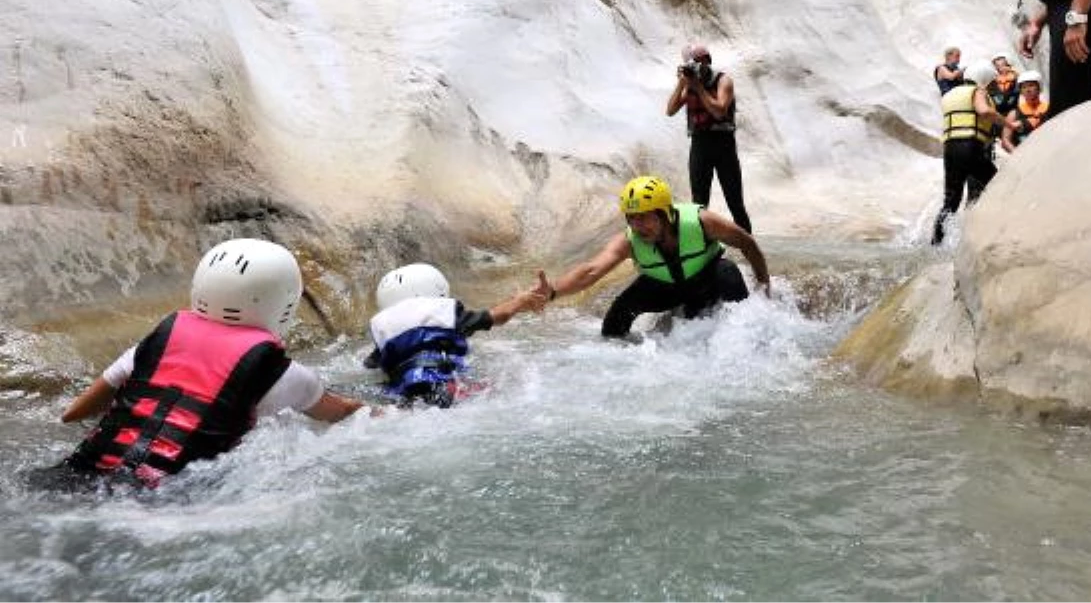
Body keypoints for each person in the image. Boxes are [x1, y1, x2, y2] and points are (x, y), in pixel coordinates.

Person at [48, 239, 365, 489]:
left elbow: (71, 414)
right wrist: (384, 412)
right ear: (284, 304)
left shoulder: (153, 346)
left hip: (79, 474)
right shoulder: (286, 376)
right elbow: (339, 413)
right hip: (164, 494)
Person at [537, 175, 770, 339]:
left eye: (644, 217)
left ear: (665, 214)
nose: (637, 225)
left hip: (707, 282)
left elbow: (747, 244)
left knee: (727, 271)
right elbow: (591, 270)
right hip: (665, 289)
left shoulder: (702, 221)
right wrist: (553, 292)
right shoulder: (629, 240)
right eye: (631, 218)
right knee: (615, 319)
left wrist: (764, 285)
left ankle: (751, 331)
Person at [363, 263, 550, 407]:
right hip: (447, 388)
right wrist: (519, 302)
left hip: (403, 394)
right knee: (499, 388)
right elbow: (497, 316)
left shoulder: (384, 329)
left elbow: (371, 366)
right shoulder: (443, 313)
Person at [666, 44, 753, 233]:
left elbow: (720, 111)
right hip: (700, 143)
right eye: (690, 63)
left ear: (706, 61)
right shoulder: (688, 83)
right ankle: (701, 248)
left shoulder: (723, 81)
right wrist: (682, 84)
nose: (694, 66)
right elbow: (670, 111)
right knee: (698, 203)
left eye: (697, 62)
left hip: (723, 145)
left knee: (735, 202)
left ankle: (749, 245)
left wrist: (699, 88)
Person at [932, 63, 1021, 245]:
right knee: (999, 185)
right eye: (991, 83)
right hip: (969, 147)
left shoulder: (951, 94)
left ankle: (936, 242)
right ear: (983, 79)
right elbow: (984, 111)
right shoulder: (977, 91)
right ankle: (1004, 232)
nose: (992, 86)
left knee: (951, 202)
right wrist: (1009, 125)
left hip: (950, 150)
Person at [1001, 70, 1049, 153]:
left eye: (1031, 85)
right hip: (1026, 154)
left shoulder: (1049, 108)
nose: (1027, 90)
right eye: (1024, 87)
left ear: (1039, 87)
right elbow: (1005, 140)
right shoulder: (1014, 114)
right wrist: (1018, 155)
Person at [989, 52, 1020, 117]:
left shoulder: (1014, 74)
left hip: (1012, 102)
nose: (1001, 67)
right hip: (998, 104)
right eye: (998, 65)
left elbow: (1020, 82)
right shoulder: (993, 77)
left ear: (1008, 64)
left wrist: (1012, 71)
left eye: (1003, 64)